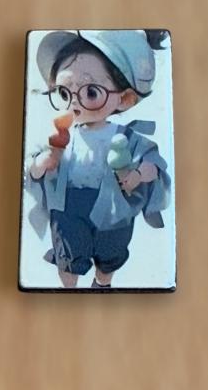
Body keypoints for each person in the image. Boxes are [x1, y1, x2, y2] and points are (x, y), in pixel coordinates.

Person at [26, 29, 172, 289]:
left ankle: (102, 284)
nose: (75, 103)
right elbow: (32, 171)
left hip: (113, 207)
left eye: (91, 92)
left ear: (125, 99)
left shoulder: (126, 138)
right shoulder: (63, 136)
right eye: (64, 92)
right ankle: (68, 290)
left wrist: (138, 174)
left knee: (110, 254)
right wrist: (43, 163)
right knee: (68, 255)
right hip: (69, 207)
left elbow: (153, 164)